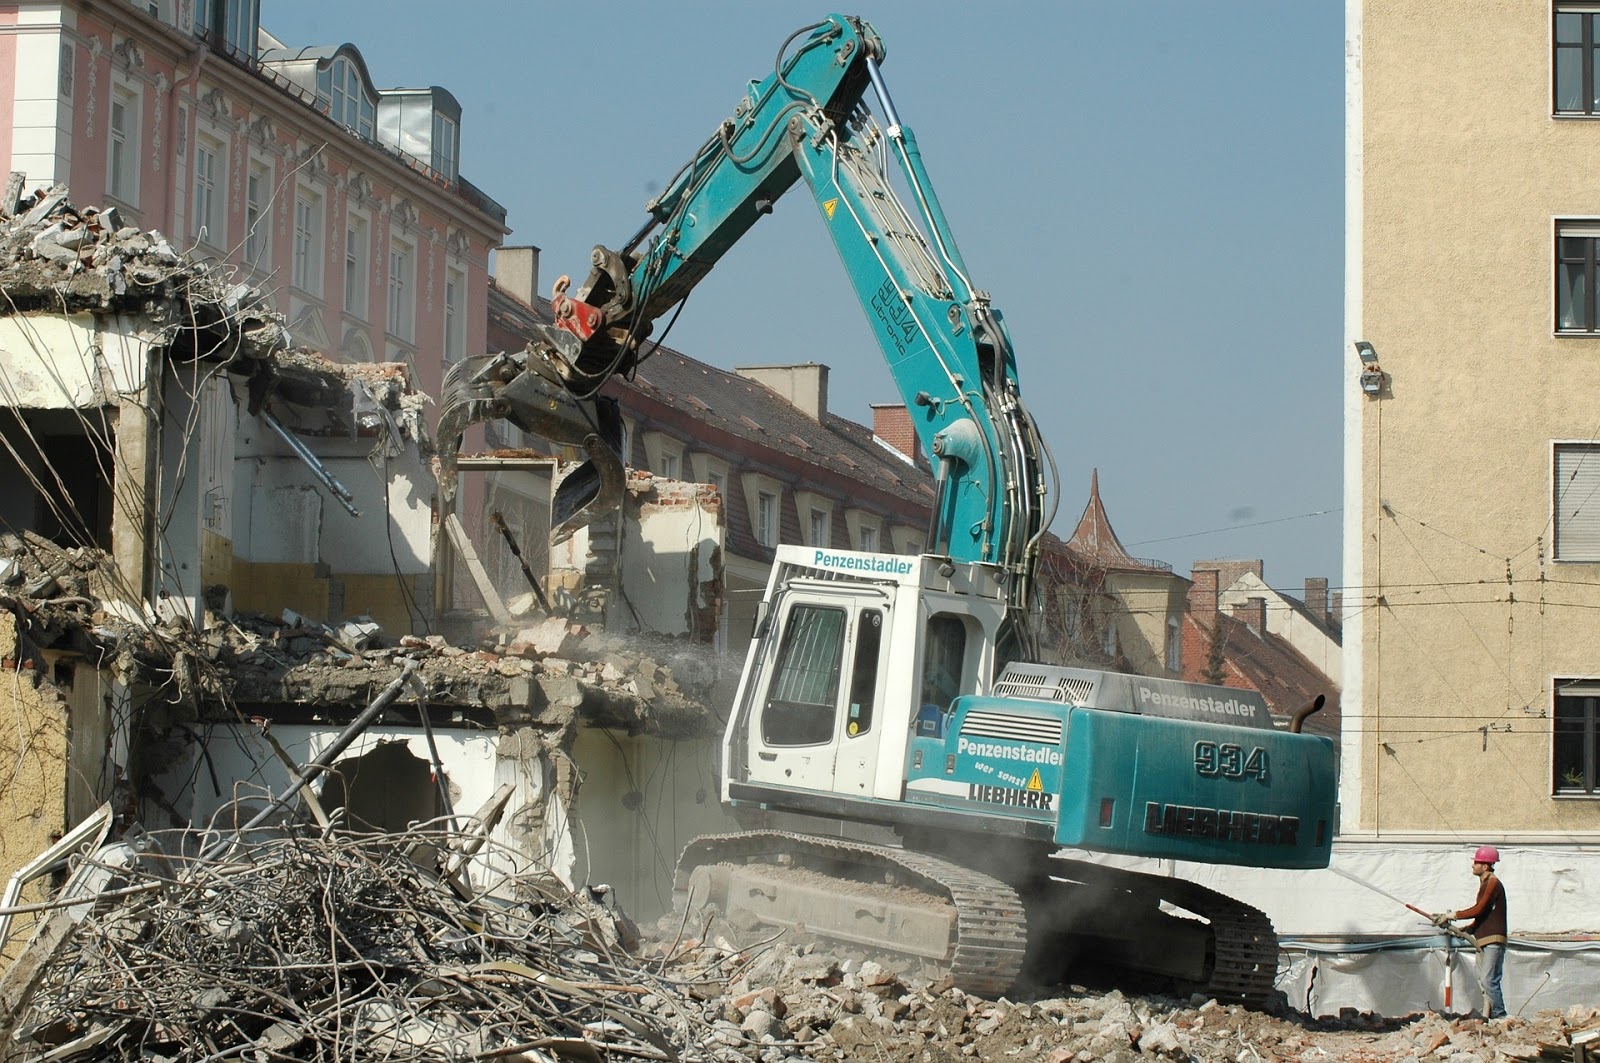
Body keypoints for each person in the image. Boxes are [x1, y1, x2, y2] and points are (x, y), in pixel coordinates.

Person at [1433, 845, 1508, 1019]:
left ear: (1486, 866)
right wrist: (1470, 929)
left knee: (1489, 980)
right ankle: (1489, 1015)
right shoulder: (1486, 884)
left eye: (1476, 862)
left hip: (1493, 940)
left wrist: (1451, 915)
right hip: (1484, 940)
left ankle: (1500, 1015)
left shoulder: (1492, 883)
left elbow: (1478, 909)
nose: (1473, 865)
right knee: (1483, 979)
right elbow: (1484, 915)